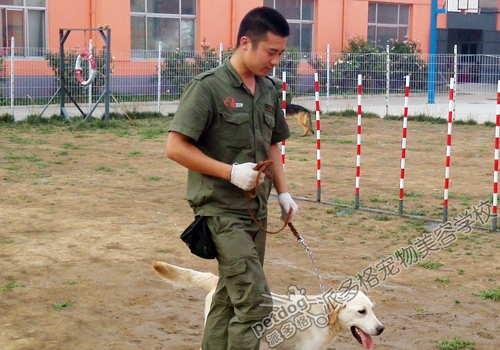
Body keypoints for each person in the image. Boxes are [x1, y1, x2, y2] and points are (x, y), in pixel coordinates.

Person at [165, 6, 298, 350]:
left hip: (257, 211)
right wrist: (230, 172)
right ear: (245, 43)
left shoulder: (269, 90)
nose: (276, 60)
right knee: (254, 305)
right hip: (221, 212)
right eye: (271, 51)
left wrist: (283, 193)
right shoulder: (208, 88)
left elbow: (272, 143)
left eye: (281, 53)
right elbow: (175, 147)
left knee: (228, 298)